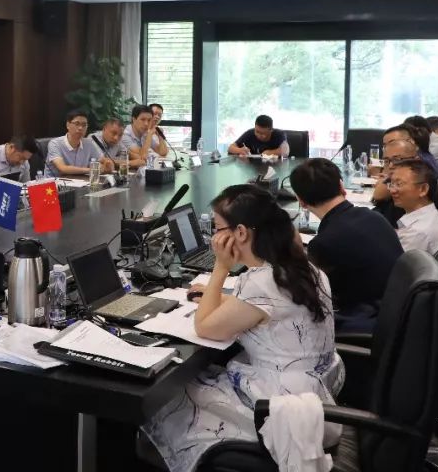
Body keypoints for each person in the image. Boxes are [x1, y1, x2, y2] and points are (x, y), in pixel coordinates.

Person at [142, 185, 343, 472]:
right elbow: (268, 308)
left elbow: (204, 327)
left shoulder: (261, 282)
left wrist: (220, 268)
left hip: (277, 410)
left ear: (240, 232)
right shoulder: (304, 268)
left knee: (167, 401)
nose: (213, 238)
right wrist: (218, 297)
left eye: (217, 229)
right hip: (312, 398)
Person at [289, 158, 403, 332]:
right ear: (341, 187)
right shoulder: (374, 217)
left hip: (367, 323)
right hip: (396, 314)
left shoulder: (324, 243)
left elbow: (313, 297)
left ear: (301, 201)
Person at [387, 158, 438, 254]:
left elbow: (393, 262)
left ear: (423, 189)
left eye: (399, 184)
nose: (392, 190)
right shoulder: (427, 215)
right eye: (391, 184)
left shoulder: (417, 233)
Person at [370, 137, 421, 226]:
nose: (391, 165)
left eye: (397, 160)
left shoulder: (418, 181)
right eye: (387, 161)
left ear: (416, 159)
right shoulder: (394, 177)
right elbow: (377, 195)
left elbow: (378, 195)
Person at [45, 109, 101, 177]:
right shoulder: (55, 144)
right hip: (55, 182)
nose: (80, 128)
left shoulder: (88, 143)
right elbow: (63, 168)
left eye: (84, 125)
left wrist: (106, 165)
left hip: (80, 182)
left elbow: (101, 162)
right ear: (68, 125)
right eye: (77, 124)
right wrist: (92, 170)